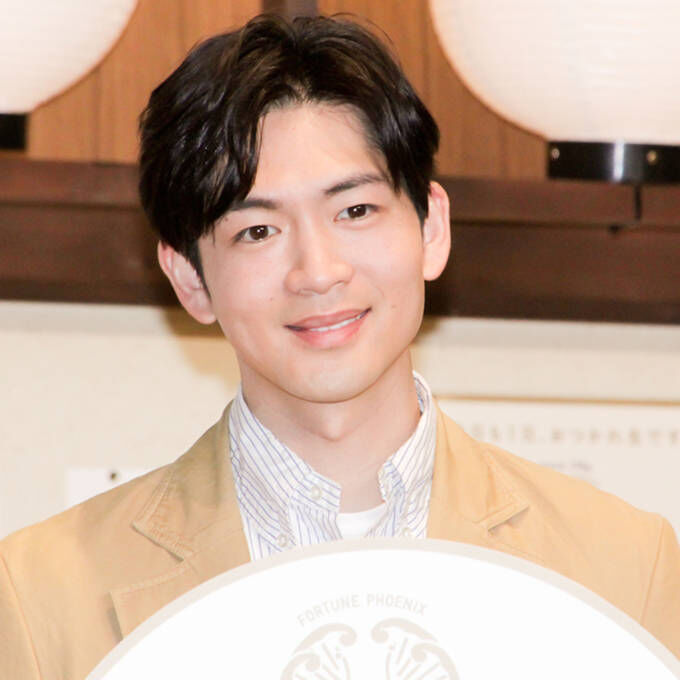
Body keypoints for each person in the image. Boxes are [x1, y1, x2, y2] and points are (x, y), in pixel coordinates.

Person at [1, 14, 679, 680]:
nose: (318, 271)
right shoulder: (39, 594)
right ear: (190, 279)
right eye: (258, 231)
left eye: (355, 211)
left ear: (431, 229)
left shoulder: (626, 565)